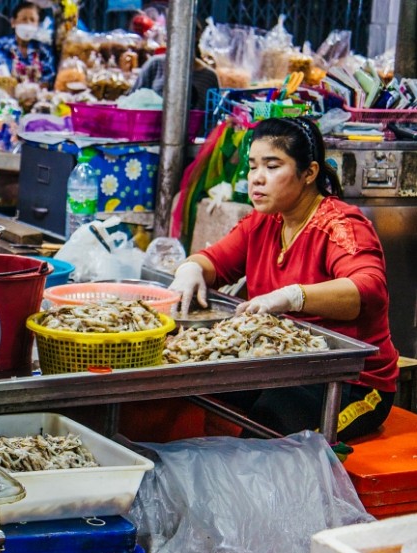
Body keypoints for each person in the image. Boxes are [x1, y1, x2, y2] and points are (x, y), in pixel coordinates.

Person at [168, 117, 399, 441]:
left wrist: (293, 297)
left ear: (309, 173)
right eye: (252, 166)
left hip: (353, 383)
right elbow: (214, 261)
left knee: (266, 426)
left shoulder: (341, 225)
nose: (257, 179)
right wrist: (190, 270)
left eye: (272, 166)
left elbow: (368, 289)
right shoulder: (263, 222)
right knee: (196, 393)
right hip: (284, 367)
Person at [128, 20, 219, 112]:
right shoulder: (155, 65)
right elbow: (131, 101)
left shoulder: (209, 77)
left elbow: (211, 117)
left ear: (196, 36)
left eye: (182, 34)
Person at [0, 1, 55, 87]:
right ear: (13, 22)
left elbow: (49, 78)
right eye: (24, 19)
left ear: (38, 25)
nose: (28, 23)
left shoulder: (43, 49)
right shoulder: (0, 46)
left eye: (32, 20)